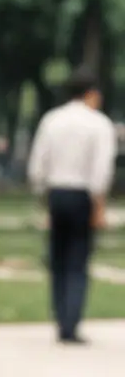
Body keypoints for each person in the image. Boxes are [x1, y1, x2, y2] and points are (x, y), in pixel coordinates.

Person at [27, 67, 117, 344]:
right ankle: (71, 322)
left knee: (58, 258)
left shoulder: (51, 121)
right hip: (82, 196)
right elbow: (100, 170)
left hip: (56, 192)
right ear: (91, 94)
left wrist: (44, 199)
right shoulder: (99, 124)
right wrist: (99, 207)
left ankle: (59, 317)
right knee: (78, 260)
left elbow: (37, 166)